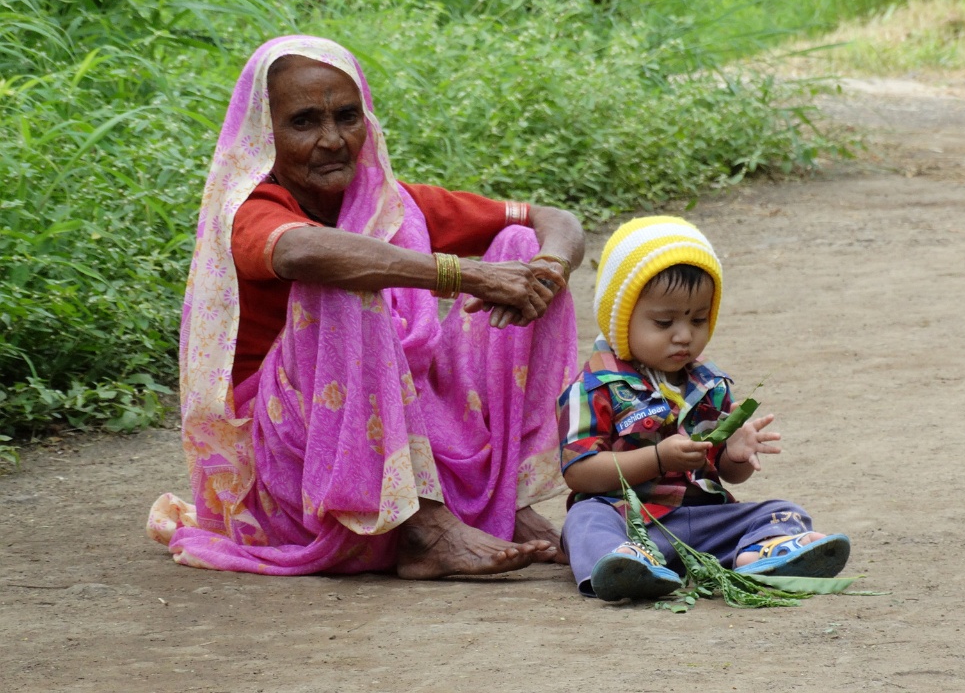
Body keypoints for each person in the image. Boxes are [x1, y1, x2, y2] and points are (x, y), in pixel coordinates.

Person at [147, 35, 585, 578]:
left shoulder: (386, 203)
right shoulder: (249, 208)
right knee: (340, 278)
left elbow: (554, 219)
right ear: (266, 134)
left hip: (394, 431)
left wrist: (548, 270)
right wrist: (467, 274)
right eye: (304, 122)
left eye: (347, 117)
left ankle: (502, 503)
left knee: (522, 247)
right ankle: (423, 527)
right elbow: (303, 251)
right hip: (290, 468)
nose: (332, 140)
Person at [557, 216, 850, 600]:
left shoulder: (709, 383)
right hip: (628, 519)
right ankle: (626, 564)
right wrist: (658, 459)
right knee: (584, 518)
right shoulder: (593, 387)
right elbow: (579, 473)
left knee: (781, 510)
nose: (684, 335)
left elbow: (725, 474)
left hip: (704, 520)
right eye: (664, 322)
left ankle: (762, 554)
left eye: (698, 319)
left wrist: (735, 456)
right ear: (620, 319)